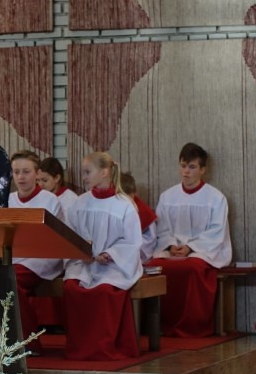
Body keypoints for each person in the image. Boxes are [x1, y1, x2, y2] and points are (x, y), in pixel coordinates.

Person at [62, 152, 142, 360]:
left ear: (105, 172)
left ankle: (103, 348)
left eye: (88, 172)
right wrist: (82, 252)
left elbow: (132, 242)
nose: (84, 177)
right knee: (72, 287)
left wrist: (110, 253)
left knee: (105, 291)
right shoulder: (80, 203)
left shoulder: (124, 205)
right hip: (84, 263)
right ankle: (80, 348)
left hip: (113, 265)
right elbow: (70, 234)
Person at [149, 143, 232, 338]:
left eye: (192, 167)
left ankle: (193, 326)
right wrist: (171, 245)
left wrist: (190, 247)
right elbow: (161, 228)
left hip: (202, 251)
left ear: (203, 170)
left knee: (192, 268)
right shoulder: (168, 196)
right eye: (183, 165)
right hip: (171, 249)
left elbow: (217, 231)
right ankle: (159, 325)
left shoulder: (215, 198)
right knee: (155, 267)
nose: (186, 171)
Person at [8, 151, 63, 354]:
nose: (21, 177)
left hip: (41, 258)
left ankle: (28, 343)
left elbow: (55, 239)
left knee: (9, 280)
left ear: (37, 173)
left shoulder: (50, 200)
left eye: (26, 171)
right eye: (16, 172)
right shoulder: (7, 199)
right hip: (13, 256)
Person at [120, 172, 159, 263]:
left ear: (134, 193)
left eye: (129, 196)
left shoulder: (142, 210)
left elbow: (150, 239)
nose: (126, 201)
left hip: (137, 252)